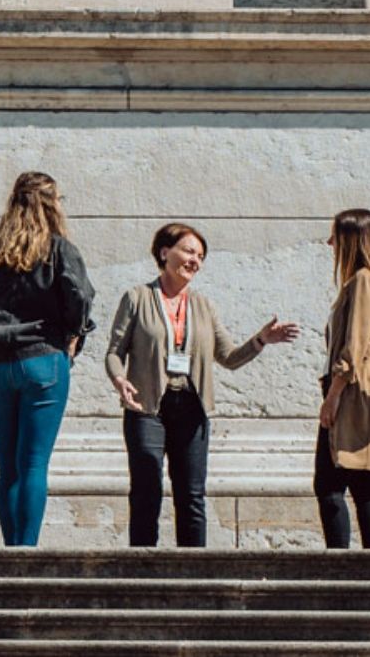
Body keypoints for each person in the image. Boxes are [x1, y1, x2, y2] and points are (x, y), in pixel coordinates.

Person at [105, 223, 299, 547]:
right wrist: (119, 379)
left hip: (191, 408)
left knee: (192, 495)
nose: (195, 260)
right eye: (189, 251)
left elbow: (229, 357)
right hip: (146, 406)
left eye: (201, 256)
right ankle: (141, 574)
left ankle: (195, 576)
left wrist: (262, 339)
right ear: (165, 252)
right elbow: (114, 351)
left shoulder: (204, 306)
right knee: (146, 493)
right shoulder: (137, 298)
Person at [0, 171, 95, 547]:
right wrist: (73, 333)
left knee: (8, 467)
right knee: (33, 464)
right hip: (44, 359)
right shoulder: (59, 249)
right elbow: (78, 296)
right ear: (51, 204)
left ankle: (10, 551)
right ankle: (25, 552)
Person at [315, 208, 370, 548]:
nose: (330, 242)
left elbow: (355, 344)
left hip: (350, 395)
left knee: (330, 485)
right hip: (361, 396)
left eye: (335, 235)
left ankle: (343, 566)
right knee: (363, 483)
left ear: (352, 239)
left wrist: (333, 395)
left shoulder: (364, 281)